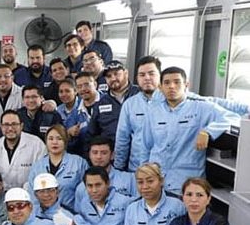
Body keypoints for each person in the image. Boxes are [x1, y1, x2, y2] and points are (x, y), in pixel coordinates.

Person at [143, 66, 240, 194]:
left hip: (187, 184)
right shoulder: (153, 112)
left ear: (186, 85)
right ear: (160, 87)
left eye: (177, 82)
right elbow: (146, 146)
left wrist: (208, 131)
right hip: (158, 180)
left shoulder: (200, 108)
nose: (172, 86)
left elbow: (232, 117)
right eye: (167, 83)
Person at [27, 125, 89, 210]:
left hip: (71, 214)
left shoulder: (79, 163)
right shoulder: (37, 167)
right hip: (43, 215)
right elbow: (32, 195)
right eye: (51, 139)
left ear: (65, 141)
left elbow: (86, 193)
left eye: (59, 139)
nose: (54, 142)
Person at [0, 109, 46, 190]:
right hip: (3, 194)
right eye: (6, 125)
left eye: (14, 124)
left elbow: (42, 174)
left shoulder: (37, 145)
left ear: (21, 126)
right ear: (1, 127)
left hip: (30, 193)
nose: (10, 128)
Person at [86, 60, 140, 143]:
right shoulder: (101, 103)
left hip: (138, 148)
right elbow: (91, 133)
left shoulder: (140, 94)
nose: (113, 78)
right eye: (109, 76)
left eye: (116, 74)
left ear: (126, 73)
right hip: (111, 149)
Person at [74, 136, 136, 205]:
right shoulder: (82, 188)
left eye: (104, 153)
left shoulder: (129, 179)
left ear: (112, 155)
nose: (99, 157)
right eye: (95, 153)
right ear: (89, 155)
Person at [55, 78, 85, 155]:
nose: (64, 94)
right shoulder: (58, 110)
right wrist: (68, 132)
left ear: (75, 91)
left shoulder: (83, 104)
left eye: (67, 91)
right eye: (61, 92)